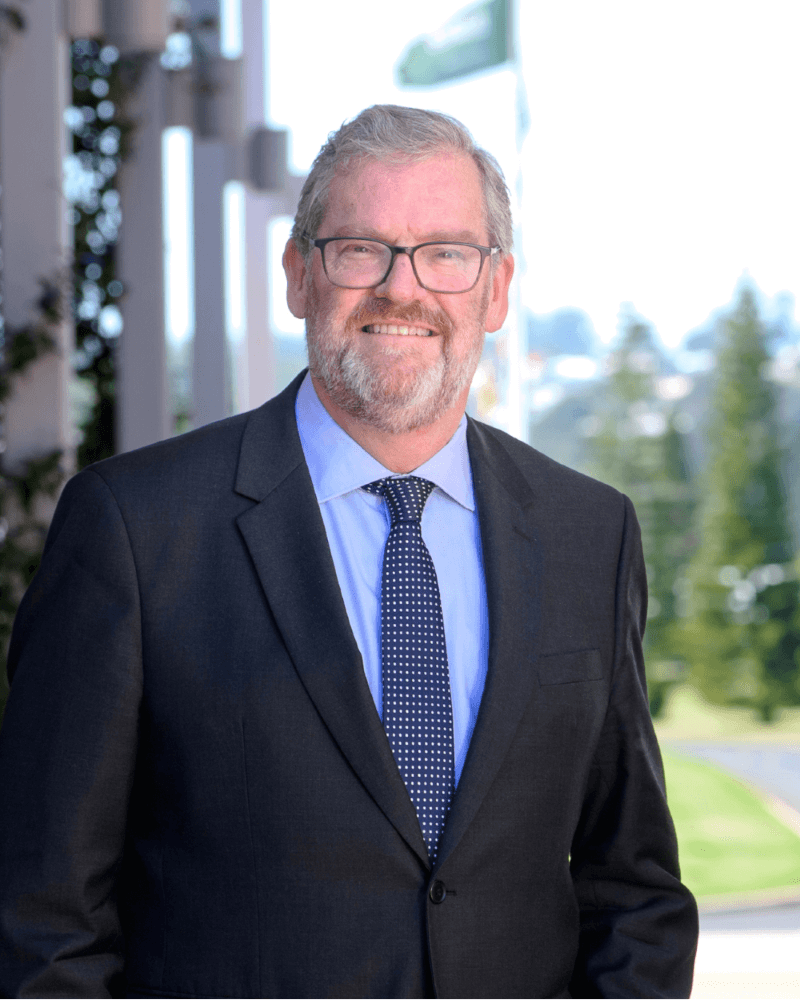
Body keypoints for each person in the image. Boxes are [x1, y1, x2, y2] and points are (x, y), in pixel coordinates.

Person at [0, 104, 697, 998]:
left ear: (496, 288)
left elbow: (633, 890)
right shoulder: (135, 530)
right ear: (299, 275)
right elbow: (43, 917)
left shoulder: (587, 532)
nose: (403, 289)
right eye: (360, 248)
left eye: (446, 252)